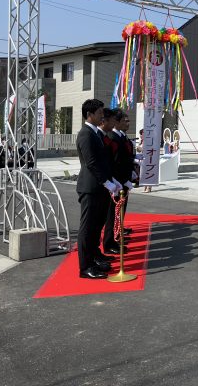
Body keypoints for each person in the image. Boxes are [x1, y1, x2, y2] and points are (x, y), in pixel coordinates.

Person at [75, 98, 119, 279]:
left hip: (99, 187)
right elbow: (91, 163)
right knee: (87, 228)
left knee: (95, 227)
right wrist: (106, 182)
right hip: (90, 187)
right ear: (89, 114)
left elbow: (103, 162)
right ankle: (85, 267)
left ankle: (93, 258)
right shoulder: (85, 134)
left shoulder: (95, 133)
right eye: (99, 113)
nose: (102, 116)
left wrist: (112, 180)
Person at [102, 108, 135, 253]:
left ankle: (116, 236)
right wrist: (117, 181)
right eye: (124, 121)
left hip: (123, 180)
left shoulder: (121, 137)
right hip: (116, 181)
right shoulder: (112, 137)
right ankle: (110, 241)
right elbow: (114, 163)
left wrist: (131, 172)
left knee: (119, 212)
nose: (127, 123)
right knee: (112, 214)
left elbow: (125, 159)